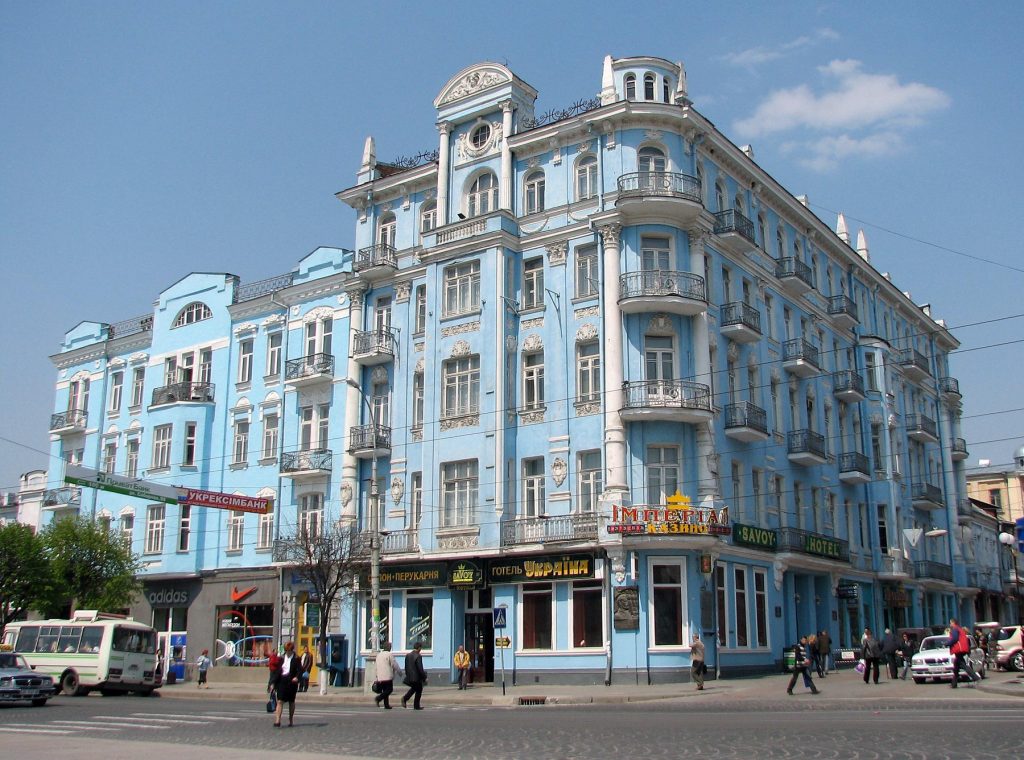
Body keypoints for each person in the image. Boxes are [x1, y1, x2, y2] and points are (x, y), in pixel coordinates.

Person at [271, 641, 301, 727]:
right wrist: (272, 683)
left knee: (291, 701)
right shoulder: (281, 658)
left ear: (292, 650)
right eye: (286, 650)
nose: (287, 652)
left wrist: (297, 677)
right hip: (282, 681)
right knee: (280, 701)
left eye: (289, 651)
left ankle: (291, 720)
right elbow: (277, 671)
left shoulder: (296, 658)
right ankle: (277, 720)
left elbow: (300, 670)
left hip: (291, 682)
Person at [948, 617, 978, 688]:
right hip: (962, 649)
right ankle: (954, 684)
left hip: (959, 649)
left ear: (953, 623)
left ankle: (975, 677)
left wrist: (947, 643)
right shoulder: (959, 629)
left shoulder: (955, 629)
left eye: (950, 623)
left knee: (963, 665)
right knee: (956, 667)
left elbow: (954, 639)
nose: (950, 624)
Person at [374, 642, 403, 709]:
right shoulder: (389, 655)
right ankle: (378, 698)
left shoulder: (379, 655)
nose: (390, 648)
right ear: (389, 648)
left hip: (380, 676)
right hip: (387, 675)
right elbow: (394, 664)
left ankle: (386, 705)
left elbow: (376, 666)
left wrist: (377, 675)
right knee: (389, 690)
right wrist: (400, 672)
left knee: (385, 690)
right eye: (390, 647)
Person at [401, 641, 428, 710]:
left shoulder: (408, 655)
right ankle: (415, 705)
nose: (421, 650)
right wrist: (424, 677)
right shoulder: (418, 656)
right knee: (419, 690)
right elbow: (420, 668)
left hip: (410, 676)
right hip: (416, 677)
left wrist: (407, 675)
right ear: (419, 648)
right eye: (420, 648)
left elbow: (406, 667)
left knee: (414, 689)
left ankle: (405, 699)